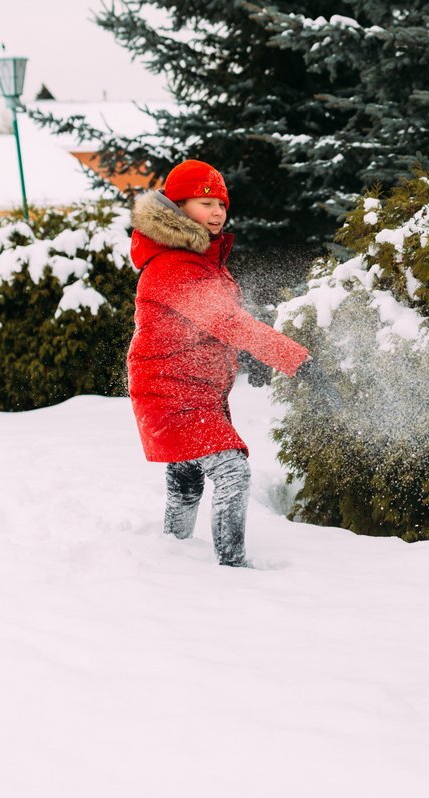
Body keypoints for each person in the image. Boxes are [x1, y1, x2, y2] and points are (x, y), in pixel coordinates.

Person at [127, 159, 330, 567]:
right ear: (176, 207)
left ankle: (173, 550)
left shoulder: (199, 260)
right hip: (172, 392)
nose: (218, 212)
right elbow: (227, 321)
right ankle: (232, 568)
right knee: (232, 470)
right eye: (205, 203)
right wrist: (298, 360)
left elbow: (214, 328)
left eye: (221, 203)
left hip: (192, 389)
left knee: (187, 475)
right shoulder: (173, 266)